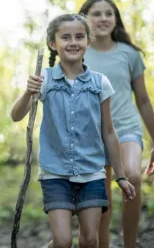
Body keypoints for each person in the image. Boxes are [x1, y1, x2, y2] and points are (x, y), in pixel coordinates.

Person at [10, 14, 136, 248]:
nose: (73, 42)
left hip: (92, 172)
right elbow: (16, 115)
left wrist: (121, 176)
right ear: (52, 43)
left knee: (89, 240)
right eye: (65, 37)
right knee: (63, 241)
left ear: (88, 41)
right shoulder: (45, 79)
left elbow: (109, 132)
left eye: (79, 37)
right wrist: (28, 92)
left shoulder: (100, 83)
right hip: (55, 173)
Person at [79, 0, 154, 248]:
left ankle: (130, 245)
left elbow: (143, 100)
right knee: (102, 197)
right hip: (91, 133)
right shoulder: (78, 53)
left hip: (126, 127)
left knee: (131, 176)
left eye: (108, 13)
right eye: (96, 13)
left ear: (116, 19)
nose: (103, 18)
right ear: (85, 19)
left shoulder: (130, 54)